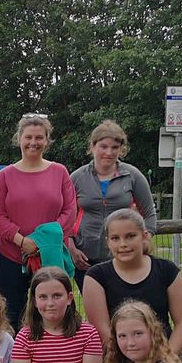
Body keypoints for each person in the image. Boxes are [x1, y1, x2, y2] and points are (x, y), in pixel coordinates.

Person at [0, 113, 77, 329]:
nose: (33, 143)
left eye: (39, 137)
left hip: (50, 256)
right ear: (19, 138)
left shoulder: (60, 172)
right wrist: (22, 241)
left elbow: (69, 211)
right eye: (28, 137)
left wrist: (40, 242)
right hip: (11, 256)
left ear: (47, 140)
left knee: (53, 312)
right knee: (13, 315)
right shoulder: (5, 175)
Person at [82, 209, 182, 354]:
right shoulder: (96, 277)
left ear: (144, 236)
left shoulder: (167, 270)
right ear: (107, 242)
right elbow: (102, 330)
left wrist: (166, 359)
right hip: (118, 359)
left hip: (163, 355)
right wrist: (131, 361)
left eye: (130, 236)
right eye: (115, 238)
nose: (123, 244)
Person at [68, 120, 158, 289]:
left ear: (121, 149)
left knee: (123, 307)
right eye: (103, 146)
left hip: (123, 255)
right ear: (92, 147)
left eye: (115, 147)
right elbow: (65, 217)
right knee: (95, 308)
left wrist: (145, 240)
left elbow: (149, 213)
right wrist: (72, 248)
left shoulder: (133, 176)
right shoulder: (77, 178)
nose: (109, 152)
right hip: (85, 258)